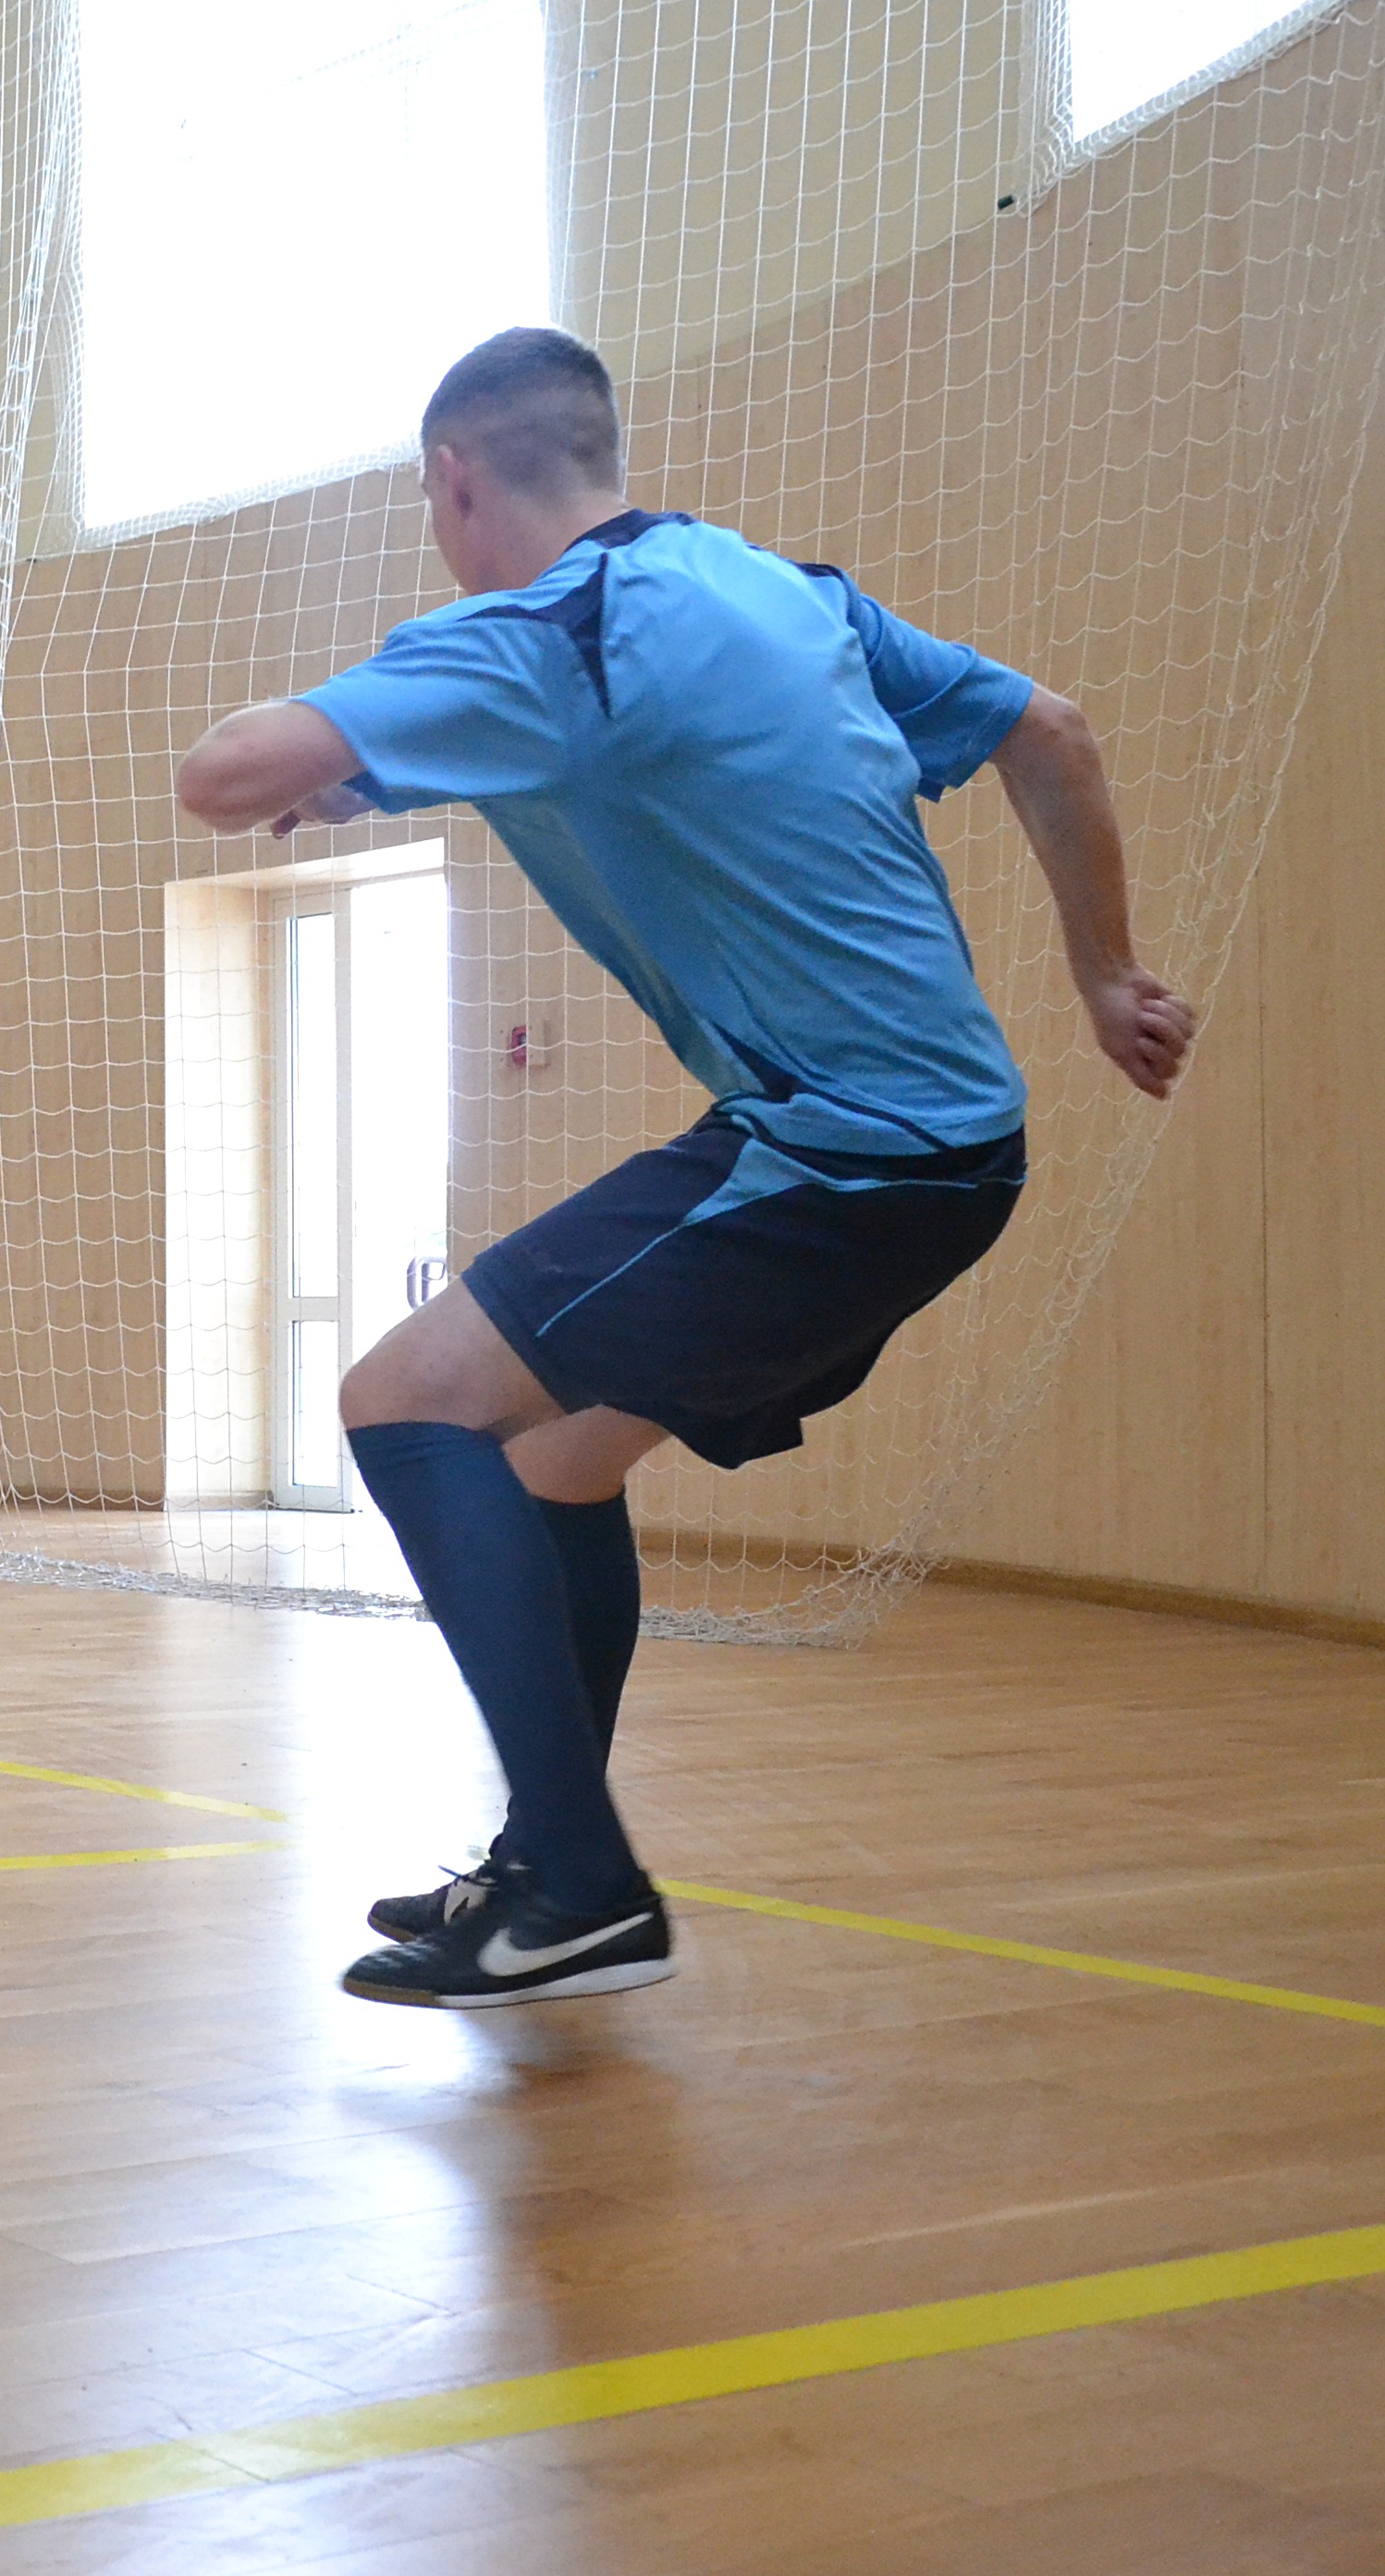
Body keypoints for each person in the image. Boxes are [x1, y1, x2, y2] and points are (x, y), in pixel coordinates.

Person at [174, 326, 1194, 2009]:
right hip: (935, 1141)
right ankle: (544, 1863)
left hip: (845, 1151)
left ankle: (584, 1888)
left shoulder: (545, 630)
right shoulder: (787, 596)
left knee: (404, 1403)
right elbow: (1053, 731)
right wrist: (1105, 976)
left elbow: (222, 776)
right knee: (554, 1466)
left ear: (455, 481)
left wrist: (328, 737)